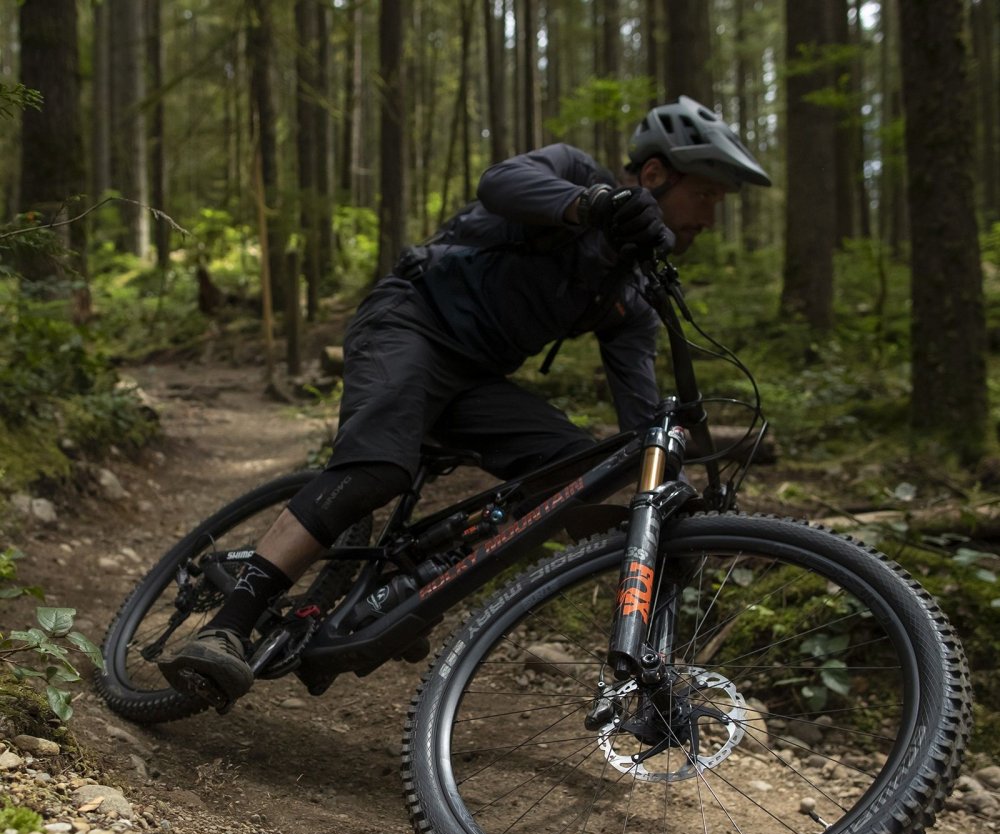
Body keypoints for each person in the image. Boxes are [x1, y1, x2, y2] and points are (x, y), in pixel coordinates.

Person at [160, 95, 771, 707]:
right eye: (706, 195)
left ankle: (399, 591)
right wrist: (591, 205)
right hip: (408, 323)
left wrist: (676, 498)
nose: (710, 217)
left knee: (579, 472)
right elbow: (499, 183)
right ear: (656, 174)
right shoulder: (574, 174)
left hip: (476, 379)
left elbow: (641, 417)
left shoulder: (628, 293)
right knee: (377, 469)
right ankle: (227, 626)